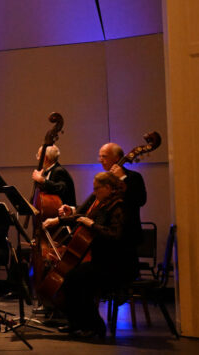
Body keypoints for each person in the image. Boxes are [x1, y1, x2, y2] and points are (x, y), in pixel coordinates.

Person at [42, 171, 135, 338]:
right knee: (70, 279)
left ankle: (95, 326)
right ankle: (77, 323)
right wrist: (59, 220)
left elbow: (116, 235)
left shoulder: (120, 206)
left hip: (117, 265)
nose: (94, 193)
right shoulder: (104, 204)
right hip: (102, 262)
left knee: (76, 280)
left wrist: (92, 225)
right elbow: (82, 217)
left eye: (97, 189)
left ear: (108, 187)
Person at [97, 142, 147, 244]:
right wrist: (73, 210)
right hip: (106, 236)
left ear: (116, 158)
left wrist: (122, 179)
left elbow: (140, 200)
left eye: (104, 156)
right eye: (100, 156)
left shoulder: (133, 177)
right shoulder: (104, 179)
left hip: (127, 236)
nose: (100, 160)